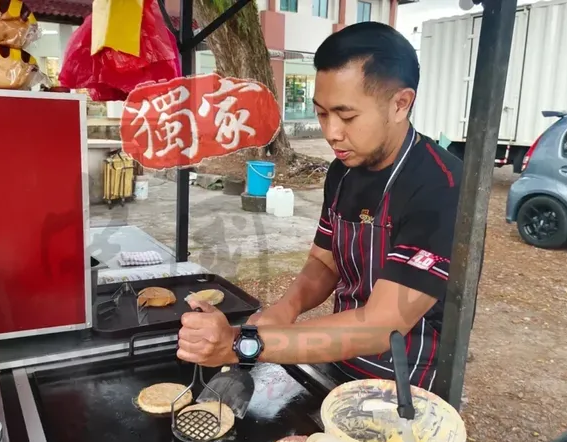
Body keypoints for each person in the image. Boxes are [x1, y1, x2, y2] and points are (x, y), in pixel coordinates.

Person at [177, 22, 473, 390]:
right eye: (321, 113)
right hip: (339, 362)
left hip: (404, 386)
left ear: (400, 103)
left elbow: (383, 325)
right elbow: (323, 261)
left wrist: (242, 345)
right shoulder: (342, 172)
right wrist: (285, 309)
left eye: (347, 116)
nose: (331, 132)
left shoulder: (441, 184)